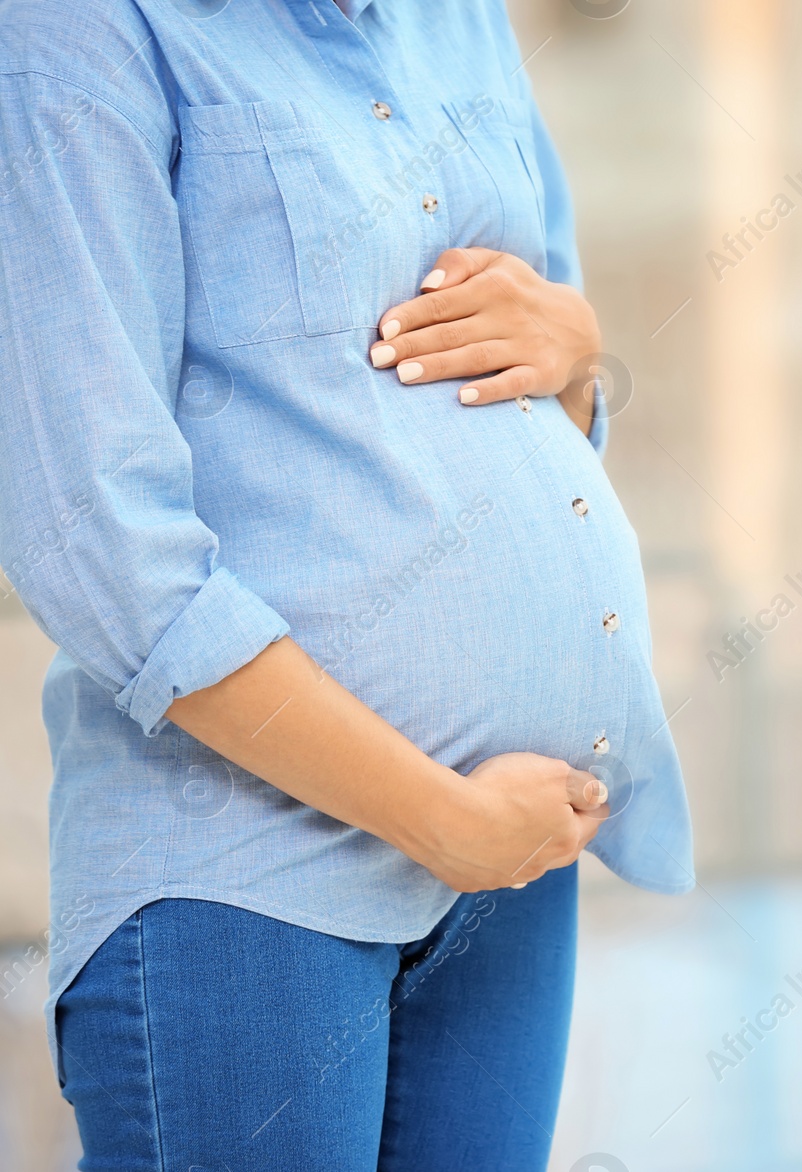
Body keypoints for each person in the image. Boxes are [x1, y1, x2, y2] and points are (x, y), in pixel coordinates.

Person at [0, 1, 693, 1168]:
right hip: (245, 880)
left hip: (509, 868)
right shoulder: (75, 31)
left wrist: (574, 344)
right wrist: (443, 818)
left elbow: (550, 381)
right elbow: (98, 542)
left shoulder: (458, 18)